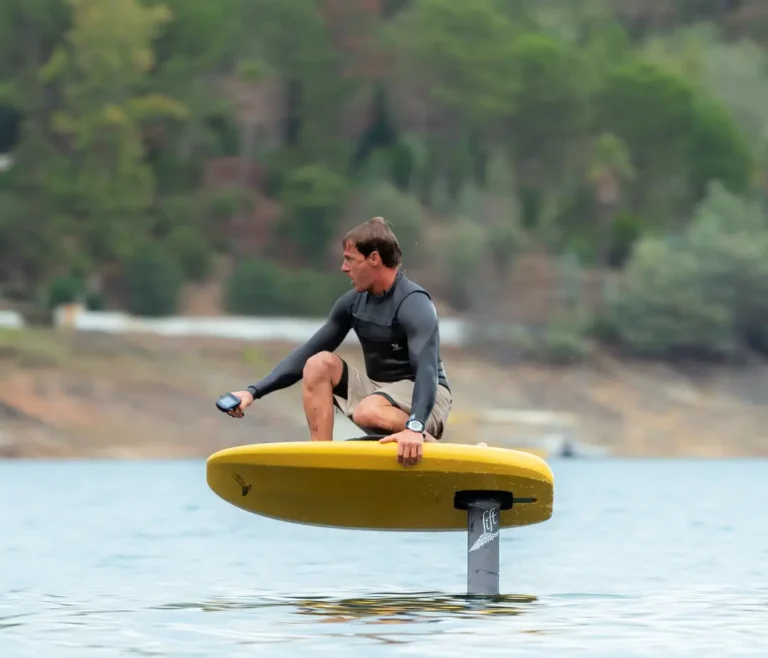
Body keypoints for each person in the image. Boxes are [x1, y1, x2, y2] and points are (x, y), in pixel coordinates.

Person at [223, 216, 452, 467]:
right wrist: (253, 392)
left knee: (369, 410)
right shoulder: (352, 303)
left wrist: (415, 424)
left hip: (426, 396)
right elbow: (307, 352)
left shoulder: (414, 303)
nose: (344, 267)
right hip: (377, 394)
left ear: (374, 258)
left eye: (350, 259)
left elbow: (427, 371)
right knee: (318, 363)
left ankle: (428, 443)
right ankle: (323, 460)